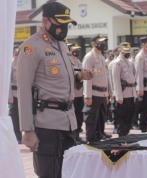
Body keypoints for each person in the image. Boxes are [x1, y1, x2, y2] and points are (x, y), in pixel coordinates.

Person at [17, 2, 94, 177]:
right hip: (47, 124)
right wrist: (27, 130)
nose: (63, 28)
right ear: (45, 21)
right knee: (49, 174)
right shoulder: (31, 47)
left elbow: (60, 79)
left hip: (68, 121)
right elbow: (24, 90)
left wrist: (80, 77)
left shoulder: (62, 46)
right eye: (60, 24)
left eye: (66, 24)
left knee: (67, 172)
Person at [82, 34, 112, 143]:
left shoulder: (101, 57)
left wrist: (107, 94)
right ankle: (91, 141)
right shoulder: (89, 57)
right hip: (93, 94)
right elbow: (86, 78)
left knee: (101, 120)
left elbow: (106, 77)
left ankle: (98, 139)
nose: (103, 44)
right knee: (92, 120)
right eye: (100, 42)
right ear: (94, 44)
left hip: (102, 94)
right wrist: (88, 96)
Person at [112, 42, 136, 137]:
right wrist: (119, 96)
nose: (127, 53)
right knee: (122, 117)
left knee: (130, 116)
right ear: (120, 51)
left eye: (129, 51)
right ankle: (122, 136)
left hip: (130, 93)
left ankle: (126, 134)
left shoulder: (129, 63)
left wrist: (134, 94)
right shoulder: (117, 63)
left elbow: (133, 80)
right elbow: (116, 81)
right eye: (125, 51)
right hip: (123, 94)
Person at [70, 43, 86, 144]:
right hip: (72, 93)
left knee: (79, 115)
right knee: (73, 115)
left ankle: (78, 135)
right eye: (74, 49)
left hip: (80, 92)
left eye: (78, 49)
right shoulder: (69, 61)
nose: (76, 51)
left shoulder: (79, 62)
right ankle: (73, 136)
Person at [8, 46, 22, 144]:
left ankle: (21, 135)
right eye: (16, 54)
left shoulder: (23, 65)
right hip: (14, 94)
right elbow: (7, 82)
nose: (17, 56)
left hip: (22, 95)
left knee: (22, 117)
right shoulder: (11, 65)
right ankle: (16, 136)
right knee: (14, 117)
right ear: (13, 54)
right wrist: (9, 96)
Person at [129, 47, 141, 130]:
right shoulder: (130, 62)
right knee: (132, 107)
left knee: (136, 107)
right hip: (131, 88)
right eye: (135, 53)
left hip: (136, 87)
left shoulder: (136, 61)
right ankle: (133, 123)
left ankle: (135, 122)